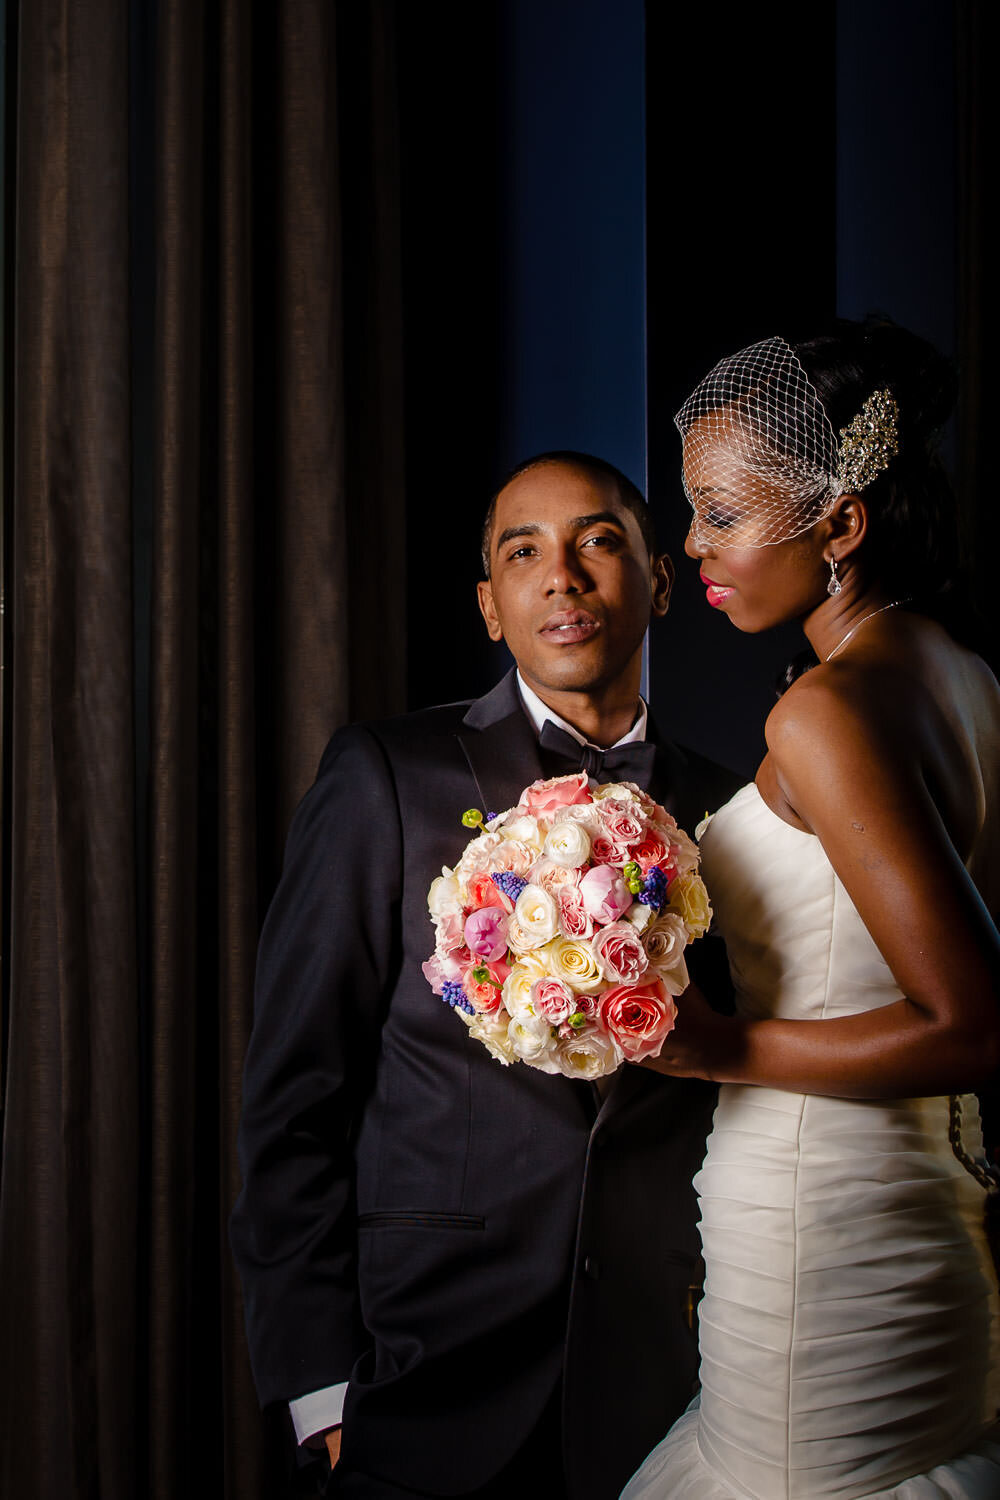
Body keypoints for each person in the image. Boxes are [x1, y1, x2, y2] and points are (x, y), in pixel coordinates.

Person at [230, 451, 740, 1499]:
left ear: (657, 581)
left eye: (598, 542)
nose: (563, 576)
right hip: (423, 1369)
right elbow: (294, 1097)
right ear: (490, 607)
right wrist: (321, 1393)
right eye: (524, 553)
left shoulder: (729, 810)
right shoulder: (387, 778)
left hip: (664, 1380)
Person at [622, 321, 1000, 1500]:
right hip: (924, 1199)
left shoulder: (827, 713)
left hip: (822, 1222)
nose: (691, 547)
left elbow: (973, 1026)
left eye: (722, 516)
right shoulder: (957, 671)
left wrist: (718, 1048)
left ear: (840, 525)